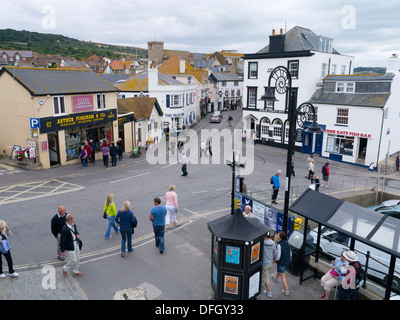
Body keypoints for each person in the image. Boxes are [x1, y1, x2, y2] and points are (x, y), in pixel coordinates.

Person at [273, 231, 292, 296]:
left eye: (278, 235)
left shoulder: (279, 245)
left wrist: (274, 261)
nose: (277, 236)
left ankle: (286, 291)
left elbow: (278, 257)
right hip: (287, 261)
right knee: (281, 270)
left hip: (281, 262)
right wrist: (290, 259)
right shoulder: (287, 242)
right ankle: (275, 278)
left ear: (281, 237)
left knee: (283, 277)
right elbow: (290, 252)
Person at [262, 231, 277, 298]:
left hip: (264, 264)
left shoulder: (262, 243)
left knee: (266, 278)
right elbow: (275, 253)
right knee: (264, 275)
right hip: (270, 263)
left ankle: (269, 292)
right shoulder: (273, 243)